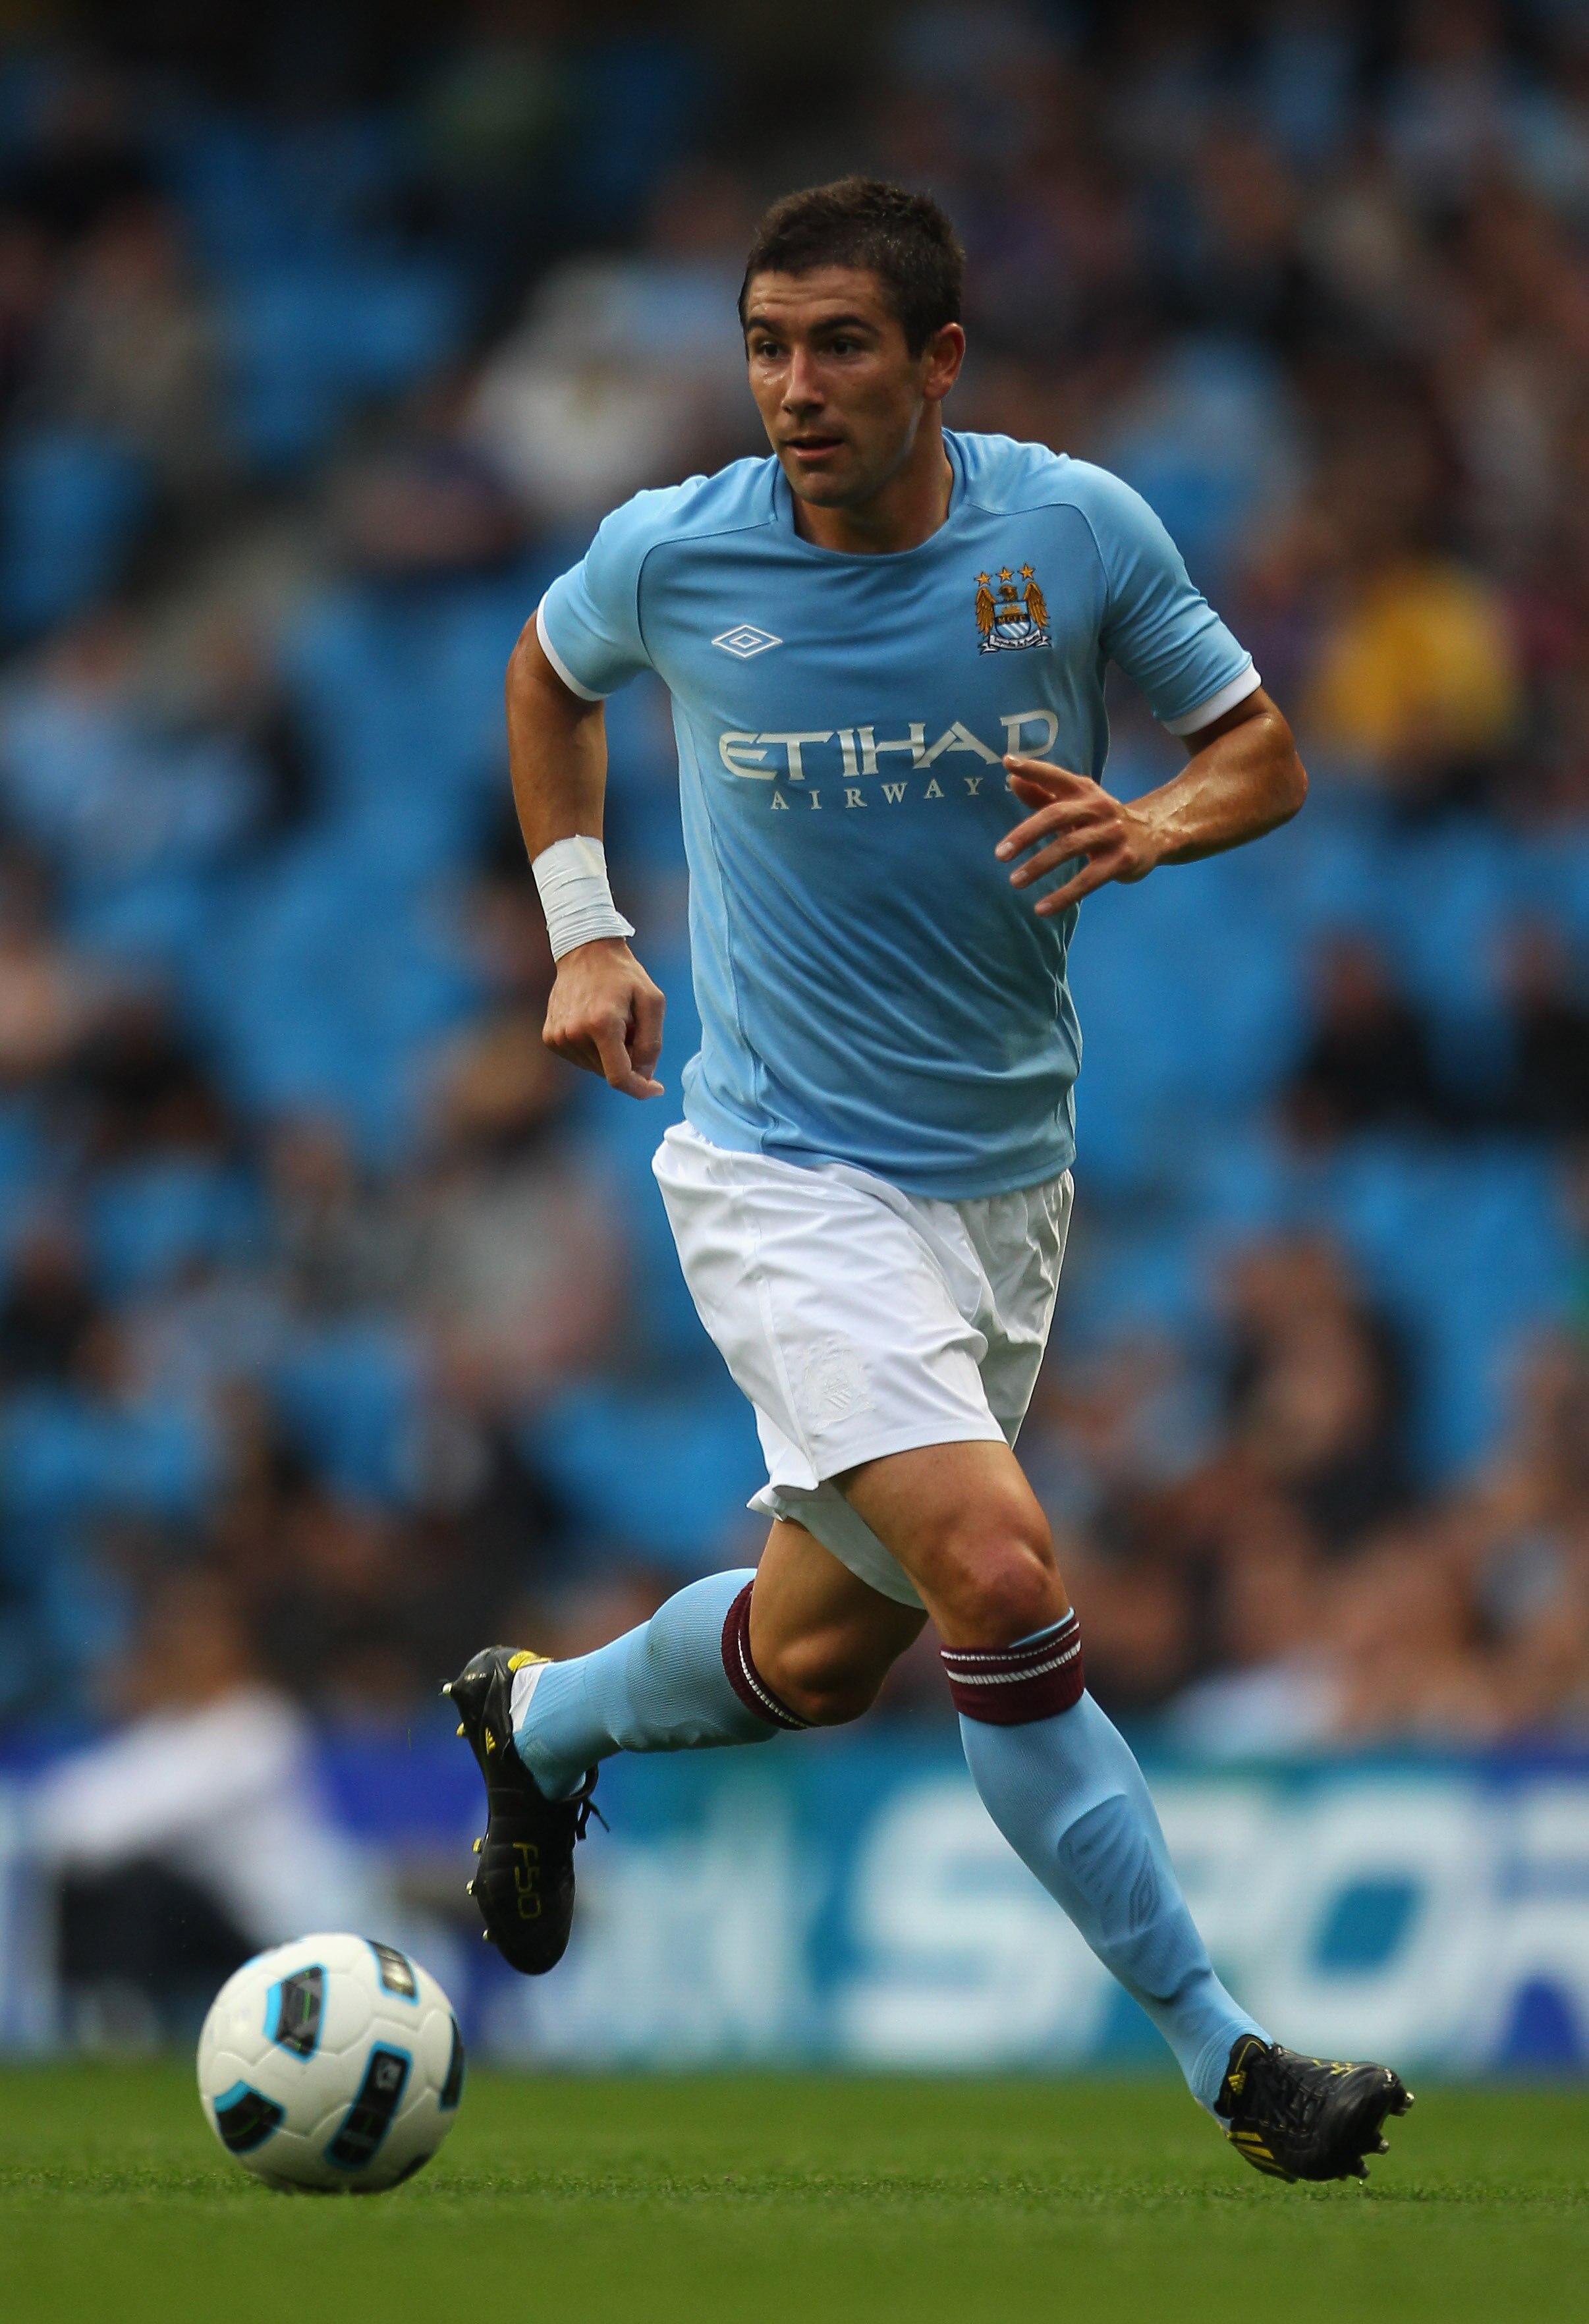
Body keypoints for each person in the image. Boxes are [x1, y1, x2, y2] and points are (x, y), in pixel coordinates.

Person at [445, 178, 1412, 2184]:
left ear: (939, 361)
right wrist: (583, 927)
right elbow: (549, 675)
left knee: (814, 1662)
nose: (793, 389)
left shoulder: (1068, 532)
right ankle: (1231, 2061)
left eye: (840, 348)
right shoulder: (679, 549)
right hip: (782, 1169)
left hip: (1002, 1189)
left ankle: (533, 1727)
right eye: (766, 349)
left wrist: (1153, 824)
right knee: (997, 1568)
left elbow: (1261, 753)